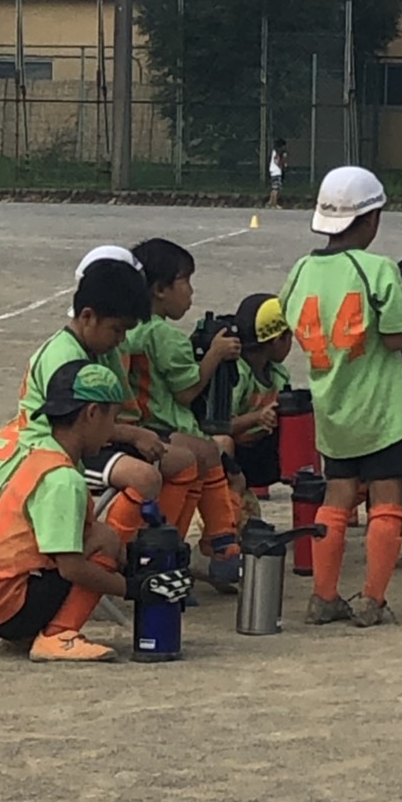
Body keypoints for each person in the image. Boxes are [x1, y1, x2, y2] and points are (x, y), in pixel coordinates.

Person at [0, 259, 197, 553]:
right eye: (116, 330)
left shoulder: (102, 349)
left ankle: (159, 551)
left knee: (185, 457)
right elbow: (81, 424)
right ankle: (121, 559)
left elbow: (115, 413)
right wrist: (132, 435)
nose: (121, 340)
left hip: (78, 442)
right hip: (44, 450)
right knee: (140, 483)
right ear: (88, 316)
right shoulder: (64, 358)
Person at [281, 165, 402, 628]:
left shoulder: (302, 269)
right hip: (379, 409)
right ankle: (371, 599)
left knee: (336, 498)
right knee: (387, 501)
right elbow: (395, 339)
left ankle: (323, 595)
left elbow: (289, 316)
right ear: (370, 220)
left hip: (333, 407)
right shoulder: (378, 269)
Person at [0, 360, 187, 664]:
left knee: (100, 536)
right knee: (104, 540)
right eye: (112, 419)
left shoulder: (44, 454)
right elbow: (72, 568)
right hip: (10, 606)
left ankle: (53, 630)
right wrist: (134, 589)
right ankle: (59, 635)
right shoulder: (63, 479)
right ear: (92, 413)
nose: (113, 431)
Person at [124, 237, 244, 585]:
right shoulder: (165, 336)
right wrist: (215, 354)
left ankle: (214, 542)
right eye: (186, 282)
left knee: (208, 453)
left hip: (146, 421)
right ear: (161, 289)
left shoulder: (135, 331)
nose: (190, 292)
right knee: (207, 453)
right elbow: (187, 390)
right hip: (163, 423)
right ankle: (213, 543)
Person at [230, 293, 293, 492]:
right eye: (289, 335)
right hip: (234, 456)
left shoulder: (278, 373)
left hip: (260, 451)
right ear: (276, 340)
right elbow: (218, 426)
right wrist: (258, 417)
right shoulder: (237, 373)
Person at [267, 139, 288, 208]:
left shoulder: (274, 151)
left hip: (273, 170)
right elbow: (278, 161)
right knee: (276, 189)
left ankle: (270, 202)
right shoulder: (279, 153)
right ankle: (274, 204)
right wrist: (283, 165)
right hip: (276, 171)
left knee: (274, 188)